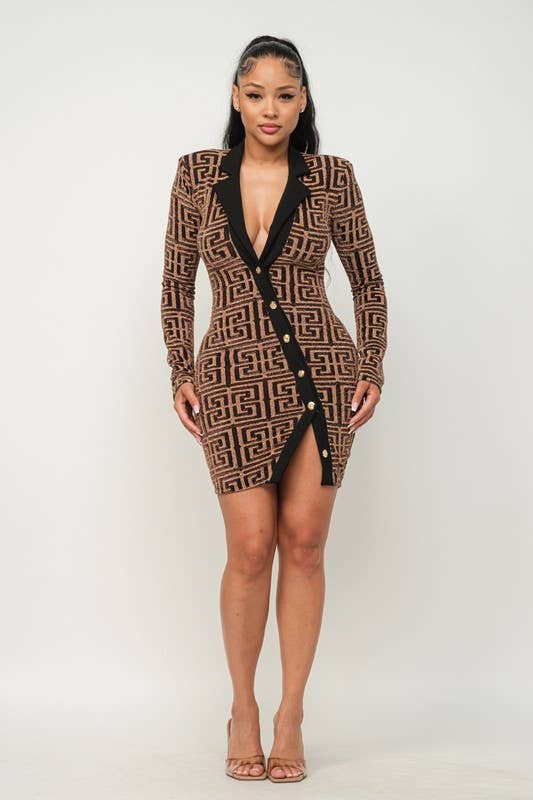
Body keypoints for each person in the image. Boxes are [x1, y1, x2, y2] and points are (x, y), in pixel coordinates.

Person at [161, 35, 388, 783]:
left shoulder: (331, 178)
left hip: (320, 376)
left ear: (302, 102)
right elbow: (176, 283)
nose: (270, 109)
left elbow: (367, 283)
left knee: (305, 544)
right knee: (250, 547)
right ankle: (242, 708)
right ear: (236, 98)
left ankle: (290, 713)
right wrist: (180, 369)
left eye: (284, 96)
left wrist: (370, 365)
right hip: (230, 379)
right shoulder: (197, 174)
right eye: (256, 94)